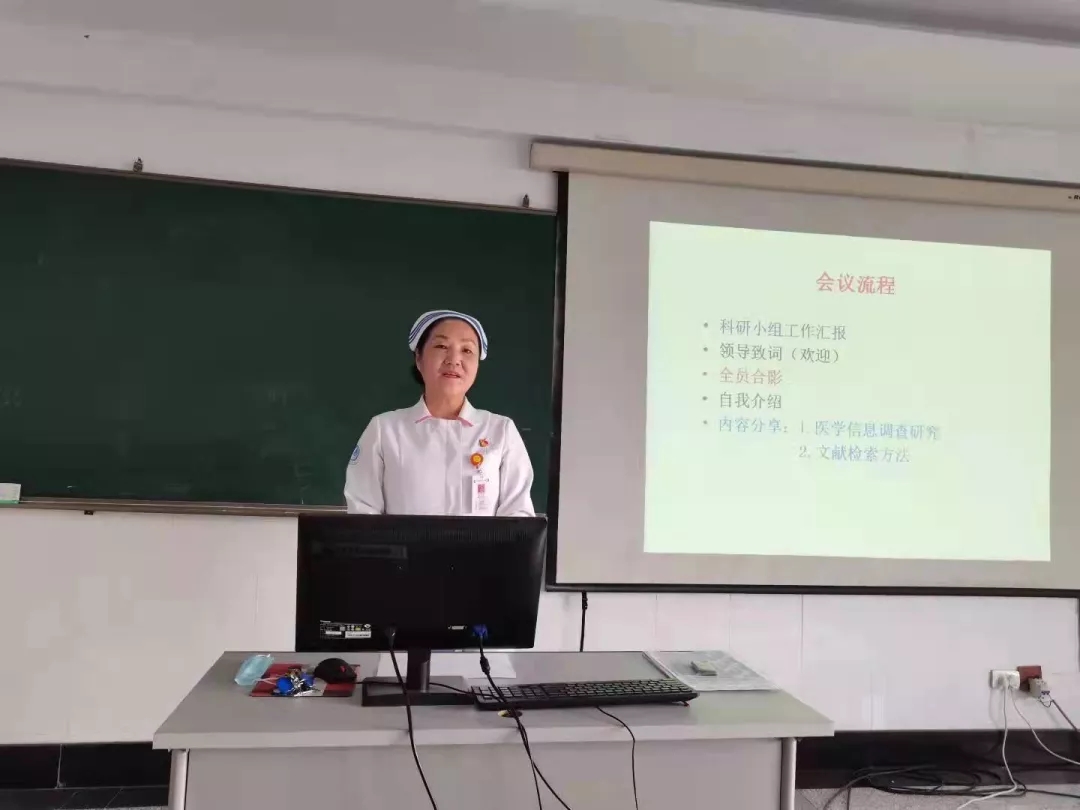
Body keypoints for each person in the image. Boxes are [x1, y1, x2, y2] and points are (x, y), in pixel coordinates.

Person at [343, 309, 535, 516]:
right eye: (442, 346)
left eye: (467, 350)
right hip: (403, 540)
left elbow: (518, 517)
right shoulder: (384, 430)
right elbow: (362, 514)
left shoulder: (501, 431)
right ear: (419, 358)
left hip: (483, 541)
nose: (454, 360)